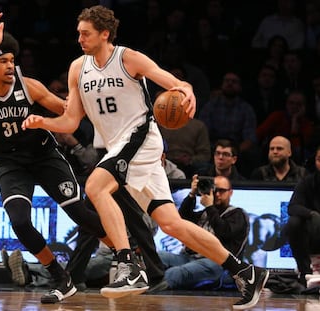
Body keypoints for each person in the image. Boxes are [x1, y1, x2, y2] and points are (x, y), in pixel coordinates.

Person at [22, 5, 269, 309]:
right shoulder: (77, 68)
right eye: (78, 33)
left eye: (85, 33)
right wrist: (42, 122)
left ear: (104, 33)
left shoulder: (128, 58)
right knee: (171, 224)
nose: (80, 39)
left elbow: (171, 81)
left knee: (96, 187)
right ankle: (243, 270)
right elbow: (71, 121)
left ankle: (129, 266)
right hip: (119, 147)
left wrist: (186, 88)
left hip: (141, 137)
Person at [0, 10, 112, 304]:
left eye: (12, 60)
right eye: (3, 60)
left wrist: (81, 100)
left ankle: (126, 255)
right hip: (10, 162)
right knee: (19, 220)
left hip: (43, 154)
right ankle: (60, 278)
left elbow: (67, 113)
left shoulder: (28, 85)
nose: (10, 64)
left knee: (79, 213)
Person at [159, 175, 249, 289]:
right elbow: (181, 219)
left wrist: (210, 207)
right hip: (189, 258)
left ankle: (149, 295)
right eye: (214, 190)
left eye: (221, 191)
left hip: (218, 263)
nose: (217, 194)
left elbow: (224, 232)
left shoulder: (237, 214)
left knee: (177, 272)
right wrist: (192, 194)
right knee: (158, 256)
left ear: (230, 193)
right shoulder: (205, 213)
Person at [282, 145, 320, 287]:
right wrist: (312, 214)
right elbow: (292, 207)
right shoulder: (307, 182)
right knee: (294, 222)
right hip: (313, 235)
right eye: (319, 159)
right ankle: (305, 272)